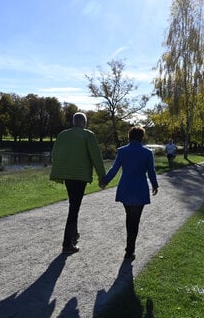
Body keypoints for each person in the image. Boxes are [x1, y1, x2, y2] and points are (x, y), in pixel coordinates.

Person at [50, 112, 107, 254]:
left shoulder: (63, 135)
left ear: (74, 122)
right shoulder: (88, 135)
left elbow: (55, 154)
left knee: (73, 205)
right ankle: (67, 244)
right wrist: (102, 177)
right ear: (84, 122)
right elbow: (96, 157)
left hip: (67, 176)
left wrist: (60, 169)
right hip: (80, 176)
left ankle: (74, 235)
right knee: (74, 209)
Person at [102, 126, 159, 262]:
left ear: (129, 136)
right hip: (140, 189)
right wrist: (155, 185)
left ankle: (129, 249)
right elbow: (151, 171)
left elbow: (114, 169)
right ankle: (130, 250)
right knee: (135, 220)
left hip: (126, 188)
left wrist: (105, 181)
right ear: (142, 137)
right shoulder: (147, 153)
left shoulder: (122, 151)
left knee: (129, 217)